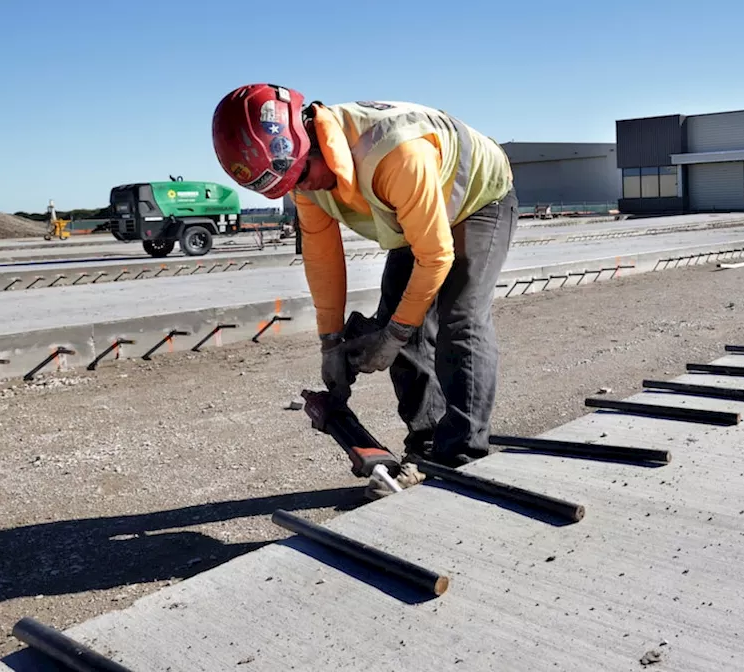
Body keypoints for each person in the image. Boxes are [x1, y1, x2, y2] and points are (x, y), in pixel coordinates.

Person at [211, 84, 517, 495]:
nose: (303, 187)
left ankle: (462, 456)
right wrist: (331, 343)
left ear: (308, 138)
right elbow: (323, 263)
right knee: (401, 320)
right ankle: (426, 446)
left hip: (479, 200)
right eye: (289, 184)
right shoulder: (302, 180)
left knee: (460, 318)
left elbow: (436, 257)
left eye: (302, 174)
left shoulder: (395, 154)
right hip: (417, 208)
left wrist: (391, 337)